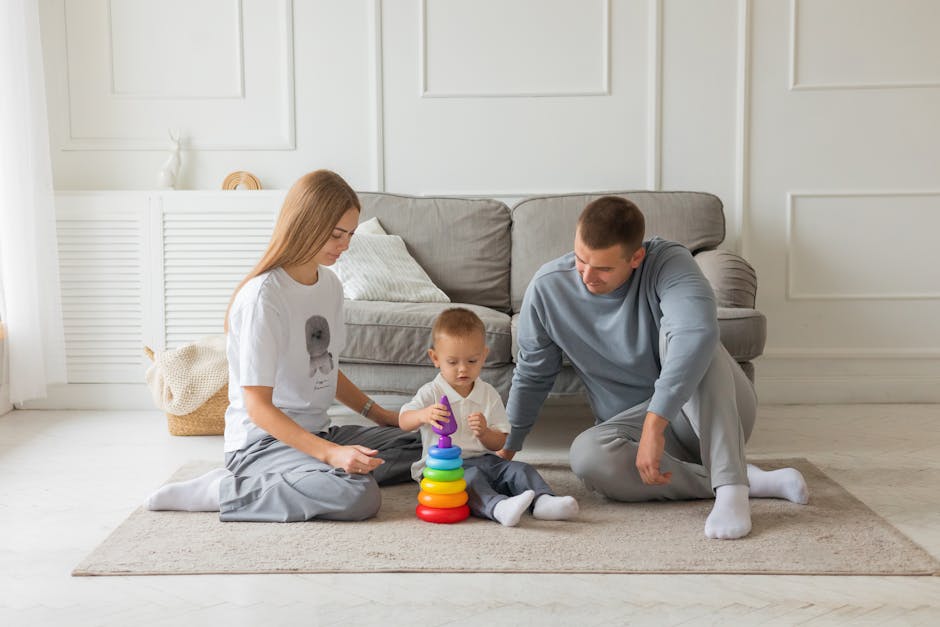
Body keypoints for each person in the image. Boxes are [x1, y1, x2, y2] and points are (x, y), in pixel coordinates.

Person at [499, 196, 808, 539]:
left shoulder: (668, 262)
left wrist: (655, 424)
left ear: (636, 258)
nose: (587, 276)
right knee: (586, 457)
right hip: (631, 430)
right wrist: (507, 446)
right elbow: (532, 374)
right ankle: (745, 480)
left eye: (603, 268)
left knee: (692, 339)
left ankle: (733, 488)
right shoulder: (547, 289)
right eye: (580, 260)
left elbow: (697, 334)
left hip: (710, 412)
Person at [147, 169, 421, 521]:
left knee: (423, 445)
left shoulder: (331, 286)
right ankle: (225, 489)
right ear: (306, 224)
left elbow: (323, 367)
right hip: (261, 444)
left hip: (316, 432)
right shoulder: (263, 297)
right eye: (337, 234)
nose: (346, 245)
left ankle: (315, 472)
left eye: (350, 234)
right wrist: (330, 455)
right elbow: (258, 408)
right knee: (358, 496)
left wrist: (384, 416)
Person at [397, 307, 579, 527]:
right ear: (435, 358)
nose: (463, 369)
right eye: (452, 362)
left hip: (485, 460)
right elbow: (403, 421)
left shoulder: (488, 393)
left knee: (520, 469)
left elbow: (500, 442)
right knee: (470, 480)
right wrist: (423, 415)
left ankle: (543, 501)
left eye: (472, 361)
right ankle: (498, 507)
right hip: (443, 470)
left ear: (484, 355)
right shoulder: (431, 392)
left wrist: (484, 433)